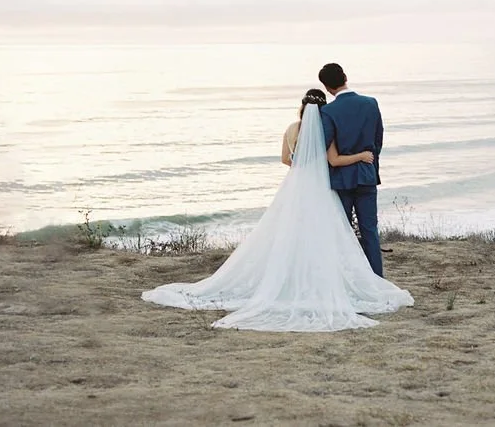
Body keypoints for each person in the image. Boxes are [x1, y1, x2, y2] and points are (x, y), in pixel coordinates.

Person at [141, 89, 413, 331]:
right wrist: (357, 158)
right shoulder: (324, 130)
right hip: (321, 186)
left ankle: (287, 277)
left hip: (295, 185)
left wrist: (302, 165)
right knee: (327, 234)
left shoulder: (292, 129)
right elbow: (333, 160)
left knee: (289, 231)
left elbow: (286, 159)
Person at [317, 63, 385, 277]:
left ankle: (348, 279)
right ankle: (376, 279)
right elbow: (378, 140)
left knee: (343, 232)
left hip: (341, 179)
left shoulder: (328, 111)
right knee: (370, 231)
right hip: (366, 174)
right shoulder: (370, 103)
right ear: (345, 77)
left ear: (327, 87)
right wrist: (370, 166)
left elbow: (325, 144)